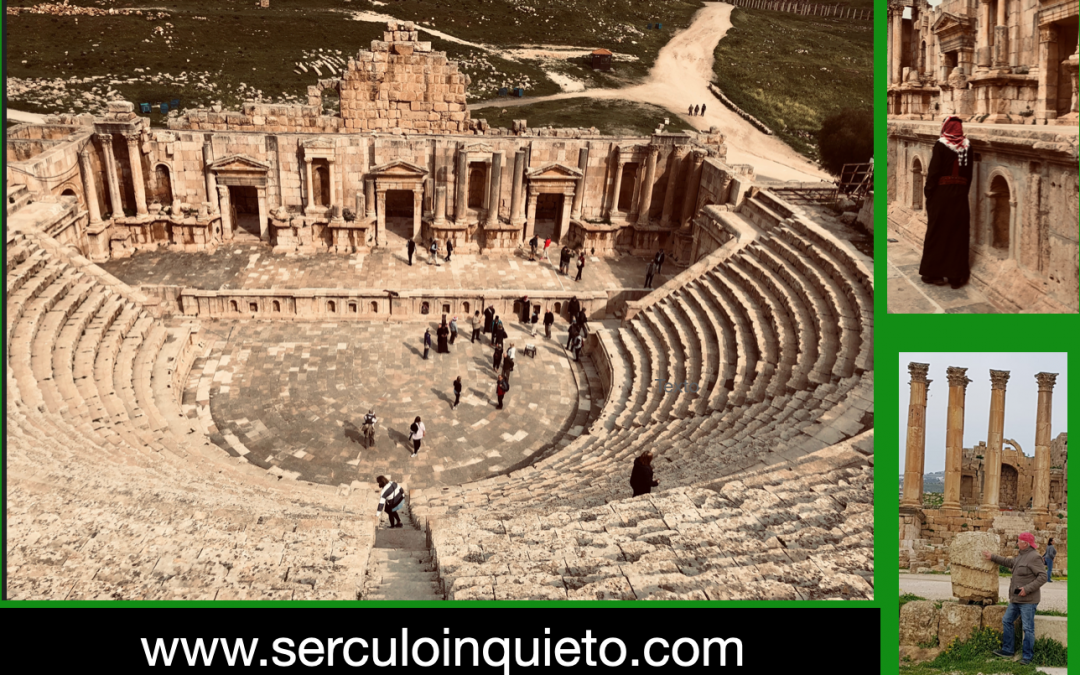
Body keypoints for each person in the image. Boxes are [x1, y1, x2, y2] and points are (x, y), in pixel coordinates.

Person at [920, 115, 974, 289]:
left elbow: (934, 172)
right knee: (957, 234)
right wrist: (962, 192)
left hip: (942, 194)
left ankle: (933, 274)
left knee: (937, 232)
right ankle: (955, 276)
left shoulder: (941, 145)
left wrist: (929, 193)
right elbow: (969, 175)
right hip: (960, 196)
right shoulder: (967, 146)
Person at [983, 532, 1047, 666]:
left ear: (1025, 544)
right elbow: (1009, 562)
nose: (1017, 543)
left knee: (1028, 628)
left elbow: (1043, 577)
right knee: (1007, 620)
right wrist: (992, 557)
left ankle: (1027, 657)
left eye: (1019, 541)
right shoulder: (1021, 556)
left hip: (1028, 600)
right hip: (1016, 599)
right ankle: (1008, 650)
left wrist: (1027, 589)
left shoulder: (1034, 557)